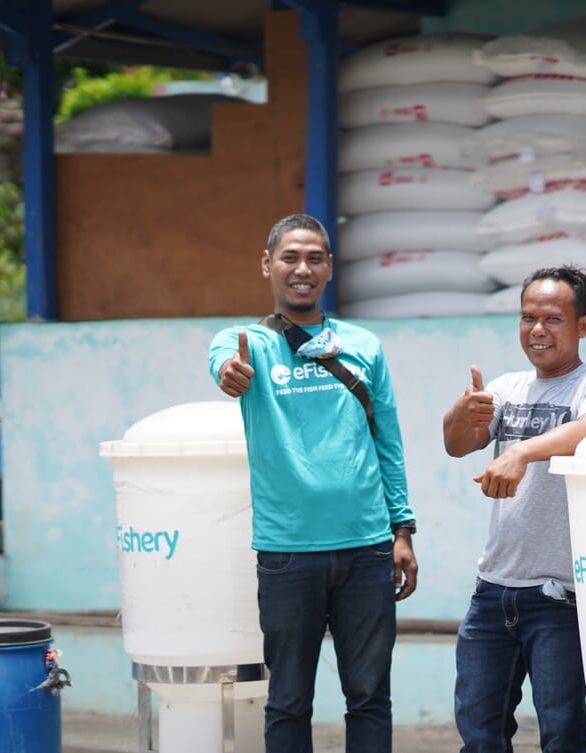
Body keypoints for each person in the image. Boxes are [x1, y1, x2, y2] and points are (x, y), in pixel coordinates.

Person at [208, 213, 418, 753]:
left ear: (329, 269)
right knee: (288, 702)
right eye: (290, 257)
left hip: (368, 550)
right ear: (267, 265)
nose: (302, 268)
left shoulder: (363, 345)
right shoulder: (244, 344)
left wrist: (402, 530)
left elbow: (387, 442)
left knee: (370, 698)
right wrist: (231, 374)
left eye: (315, 258)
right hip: (287, 554)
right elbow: (225, 368)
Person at [442, 265, 586, 753]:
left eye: (552, 319)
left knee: (562, 731)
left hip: (558, 597)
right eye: (527, 318)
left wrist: (521, 451)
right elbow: (459, 445)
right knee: (479, 730)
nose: (537, 330)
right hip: (493, 591)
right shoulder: (507, 387)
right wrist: (460, 415)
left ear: (582, 326)